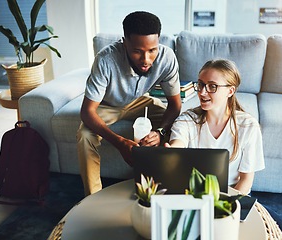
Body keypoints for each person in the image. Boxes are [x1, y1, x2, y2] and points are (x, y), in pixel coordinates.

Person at [77, 11, 182, 196]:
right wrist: (119, 142)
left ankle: (164, 188)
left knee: (180, 124)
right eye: (137, 51)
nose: (146, 60)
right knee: (85, 135)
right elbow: (87, 112)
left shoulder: (167, 58)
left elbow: (175, 105)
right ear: (124, 42)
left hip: (140, 102)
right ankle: (92, 198)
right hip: (106, 105)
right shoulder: (105, 60)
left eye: (152, 50)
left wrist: (160, 132)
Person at [165, 59, 264, 194]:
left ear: (230, 91)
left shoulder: (248, 126)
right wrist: (171, 152)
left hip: (233, 194)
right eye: (200, 85)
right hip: (193, 194)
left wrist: (226, 206)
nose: (202, 92)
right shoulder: (187, 120)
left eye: (212, 86)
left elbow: (246, 180)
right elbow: (178, 143)